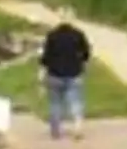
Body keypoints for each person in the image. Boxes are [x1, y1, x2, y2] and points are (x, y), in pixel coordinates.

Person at [39, 8, 92, 140]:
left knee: (55, 103)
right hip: (74, 72)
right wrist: (82, 63)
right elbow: (86, 53)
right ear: (72, 19)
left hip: (54, 74)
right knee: (75, 102)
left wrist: (42, 72)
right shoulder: (78, 35)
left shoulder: (52, 35)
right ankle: (77, 127)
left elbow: (46, 56)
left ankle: (56, 130)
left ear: (58, 19)